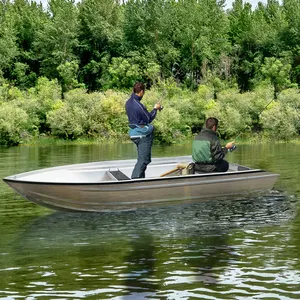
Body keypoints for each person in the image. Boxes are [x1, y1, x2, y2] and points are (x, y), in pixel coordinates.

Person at [125, 82, 162, 179]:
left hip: (134, 134)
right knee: (144, 160)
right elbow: (149, 118)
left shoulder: (128, 103)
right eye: (143, 92)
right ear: (141, 91)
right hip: (142, 135)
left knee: (141, 159)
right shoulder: (139, 105)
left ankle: (141, 180)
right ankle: (134, 180)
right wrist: (155, 109)